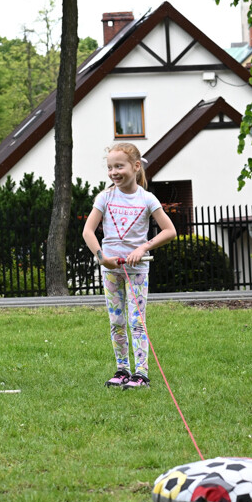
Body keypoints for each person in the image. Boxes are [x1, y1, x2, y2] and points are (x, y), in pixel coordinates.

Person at [82, 143, 177, 390]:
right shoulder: (105, 197)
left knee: (137, 321)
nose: (114, 172)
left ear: (135, 167)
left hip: (137, 271)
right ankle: (122, 369)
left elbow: (170, 231)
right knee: (116, 321)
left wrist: (142, 248)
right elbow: (88, 231)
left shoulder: (147, 199)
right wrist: (102, 257)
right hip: (111, 270)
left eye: (119, 166)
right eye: (110, 167)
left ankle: (141, 373)